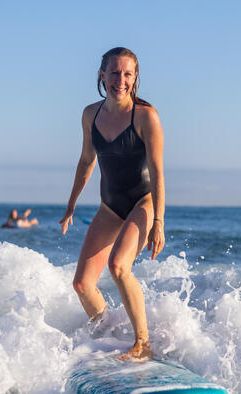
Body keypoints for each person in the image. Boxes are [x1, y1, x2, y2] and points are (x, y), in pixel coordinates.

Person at [59, 46, 166, 362]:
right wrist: (71, 206)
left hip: (142, 203)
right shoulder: (90, 114)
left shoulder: (146, 116)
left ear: (135, 78)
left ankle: (142, 344)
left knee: (119, 266)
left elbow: (158, 172)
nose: (121, 80)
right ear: (102, 75)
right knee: (82, 283)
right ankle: (109, 337)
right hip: (110, 206)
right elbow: (86, 161)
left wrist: (158, 222)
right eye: (115, 73)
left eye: (128, 74)